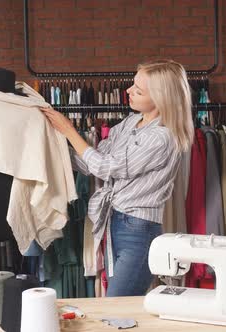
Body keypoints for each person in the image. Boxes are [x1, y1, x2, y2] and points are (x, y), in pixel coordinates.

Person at [41, 59, 194, 296]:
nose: (128, 91)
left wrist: (69, 130)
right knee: (119, 310)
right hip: (117, 222)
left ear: (160, 98)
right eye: (133, 85)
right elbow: (90, 162)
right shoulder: (132, 122)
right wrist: (53, 148)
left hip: (138, 231)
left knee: (117, 304)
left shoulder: (161, 138)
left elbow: (103, 167)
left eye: (138, 90)